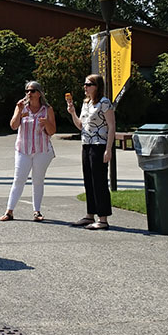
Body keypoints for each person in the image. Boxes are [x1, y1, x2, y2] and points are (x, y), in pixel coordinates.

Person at [1, 80, 57, 222]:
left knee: (38, 180)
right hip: (23, 149)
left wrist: (46, 123)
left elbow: (52, 131)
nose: (28, 94)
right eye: (26, 91)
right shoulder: (22, 108)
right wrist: (19, 111)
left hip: (41, 150)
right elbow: (13, 126)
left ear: (39, 93)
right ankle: (9, 211)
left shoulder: (47, 109)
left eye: (32, 91)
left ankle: (37, 211)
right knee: (19, 179)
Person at [67, 73, 115, 230]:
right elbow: (81, 125)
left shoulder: (104, 102)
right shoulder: (86, 103)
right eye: (85, 84)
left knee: (99, 181)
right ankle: (90, 215)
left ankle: (103, 219)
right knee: (88, 180)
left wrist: (108, 149)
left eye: (89, 84)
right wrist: (72, 112)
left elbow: (112, 126)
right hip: (86, 144)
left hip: (99, 144)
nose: (85, 87)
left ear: (97, 86)